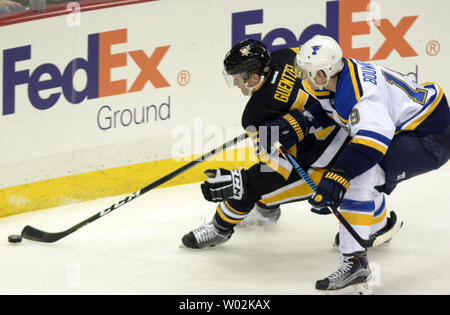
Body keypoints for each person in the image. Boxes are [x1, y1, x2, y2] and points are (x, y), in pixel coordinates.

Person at [267, 34, 449, 294]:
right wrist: (298, 122)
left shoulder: (363, 96)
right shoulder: (341, 74)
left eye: (306, 72)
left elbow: (373, 141)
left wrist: (338, 176)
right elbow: (332, 107)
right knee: (355, 175)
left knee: (356, 178)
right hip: (416, 124)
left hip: (430, 137)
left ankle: (356, 265)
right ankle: (377, 226)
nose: (303, 77)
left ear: (321, 74)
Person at [181, 39, 399, 252]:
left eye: (237, 78)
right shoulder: (287, 56)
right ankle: (377, 224)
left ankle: (220, 229)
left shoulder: (256, 113)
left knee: (247, 189)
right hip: (357, 136)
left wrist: (240, 181)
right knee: (365, 178)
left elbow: (276, 170)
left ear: (254, 77)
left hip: (323, 165)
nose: (235, 83)